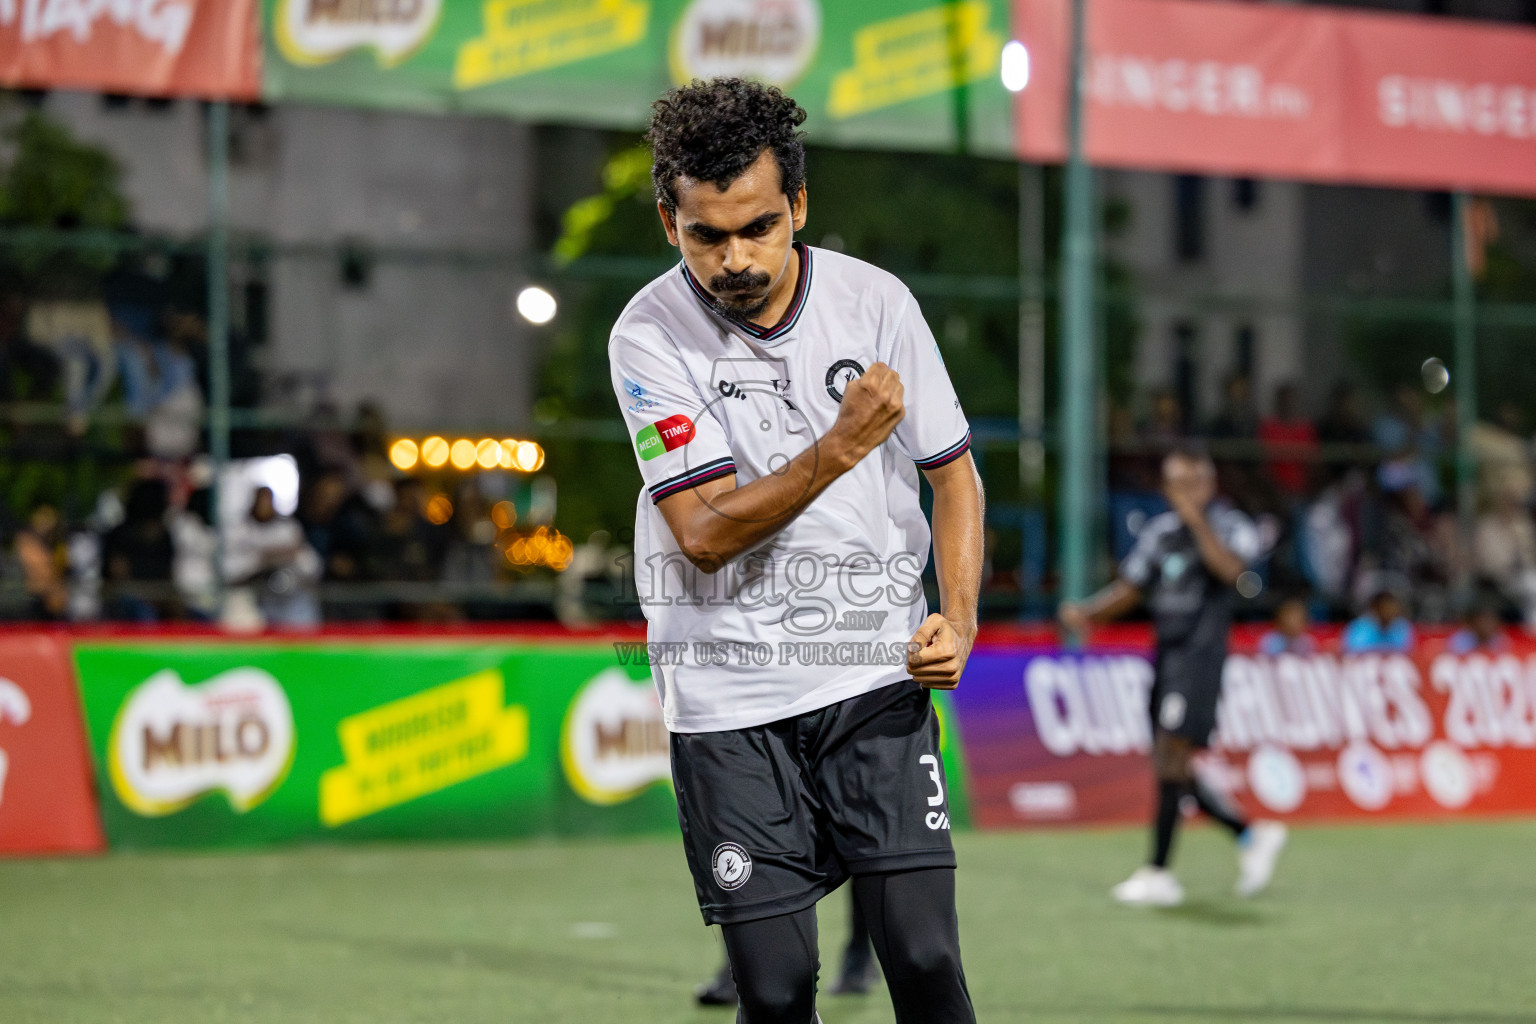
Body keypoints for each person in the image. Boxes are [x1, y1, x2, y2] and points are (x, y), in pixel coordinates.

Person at [611, 79, 984, 1023]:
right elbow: (701, 535)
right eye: (707, 236)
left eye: (759, 228)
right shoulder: (648, 334)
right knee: (775, 993)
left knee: (926, 955)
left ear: (800, 208)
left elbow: (953, 475)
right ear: (670, 223)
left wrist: (962, 615)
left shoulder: (877, 303)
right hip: (727, 703)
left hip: (873, 679)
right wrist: (843, 446)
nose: (735, 258)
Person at [1059, 445, 1286, 907]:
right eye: (1172, 484)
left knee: (1171, 755)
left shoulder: (1227, 525)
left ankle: (1159, 871)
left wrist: (1196, 519)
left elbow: (1232, 572)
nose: (1179, 493)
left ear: (1207, 484)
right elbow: (1132, 587)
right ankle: (1248, 833)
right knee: (1171, 762)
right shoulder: (1160, 533)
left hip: (1201, 657)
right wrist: (1088, 615)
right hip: (1165, 654)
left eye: (1188, 483)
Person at [1341, 586, 1415, 654]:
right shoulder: (1359, 627)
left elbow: (1408, 651)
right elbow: (1352, 652)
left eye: (1392, 608)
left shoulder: (1402, 627)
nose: (1390, 612)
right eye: (1386, 608)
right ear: (1376, 608)